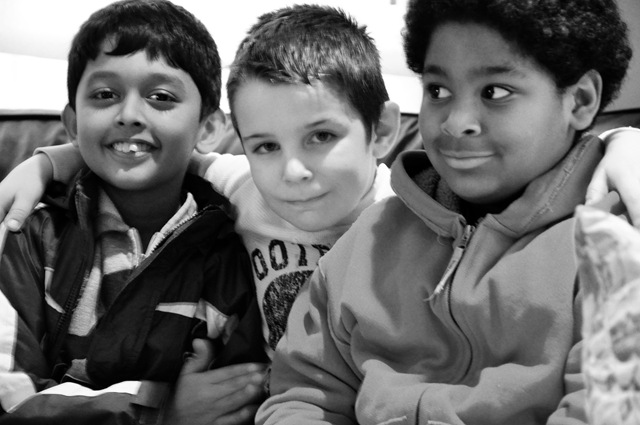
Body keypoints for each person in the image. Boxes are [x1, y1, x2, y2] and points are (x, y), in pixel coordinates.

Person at [256, 0, 633, 424]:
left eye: (495, 92)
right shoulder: (372, 235)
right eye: (438, 90)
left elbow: (608, 412)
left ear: (580, 100)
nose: (456, 122)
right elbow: (302, 395)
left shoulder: (616, 246)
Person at [0, 4, 401, 355]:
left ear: (382, 130)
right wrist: (47, 164)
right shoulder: (245, 184)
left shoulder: (411, 215)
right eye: (266, 146)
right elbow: (162, 154)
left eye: (322, 136)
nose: (293, 172)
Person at [0, 1, 268, 424]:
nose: (128, 115)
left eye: (161, 97)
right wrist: (156, 409)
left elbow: (234, 400)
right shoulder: (27, 236)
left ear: (208, 128)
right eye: (105, 95)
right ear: (73, 124)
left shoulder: (233, 250)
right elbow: (12, 399)